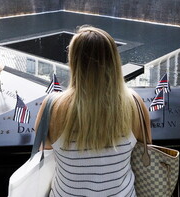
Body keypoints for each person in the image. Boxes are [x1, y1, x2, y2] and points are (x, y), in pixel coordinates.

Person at [34, 26, 151, 197]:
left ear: (74, 61)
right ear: (113, 60)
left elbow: (46, 152)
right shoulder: (135, 104)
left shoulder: (51, 107)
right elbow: (146, 151)